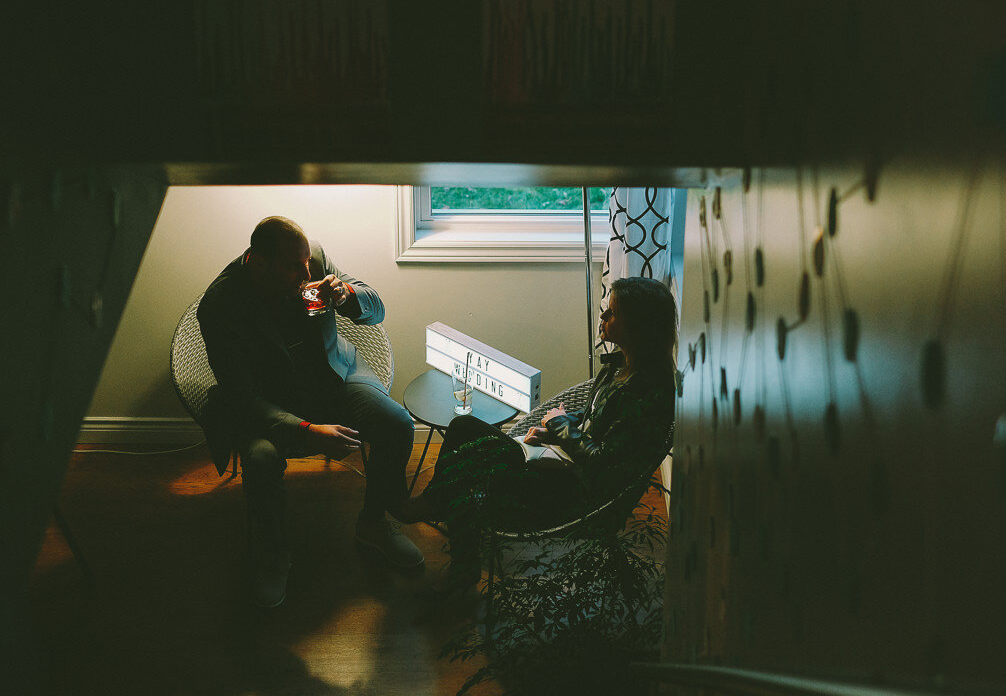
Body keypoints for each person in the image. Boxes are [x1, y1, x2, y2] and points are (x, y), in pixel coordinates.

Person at [395, 276, 677, 596]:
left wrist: (559, 427)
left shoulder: (647, 394)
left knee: (477, 466)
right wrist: (551, 431)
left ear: (639, 326)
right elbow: (594, 420)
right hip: (562, 462)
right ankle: (440, 509)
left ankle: (455, 547)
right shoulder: (621, 365)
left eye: (612, 313)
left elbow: (602, 462)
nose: (602, 317)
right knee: (465, 428)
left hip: (571, 490)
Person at [197, 216, 421, 607]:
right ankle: (272, 554)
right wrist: (305, 430)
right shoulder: (221, 305)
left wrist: (346, 295)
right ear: (258, 262)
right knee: (261, 457)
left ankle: (374, 521)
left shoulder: (311, 257)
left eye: (307, 263)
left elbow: (376, 307)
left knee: (397, 423)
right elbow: (243, 397)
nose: (307, 273)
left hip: (334, 373)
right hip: (268, 402)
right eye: (293, 266)